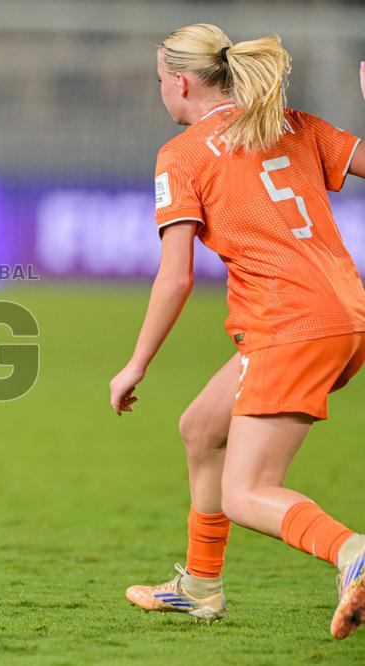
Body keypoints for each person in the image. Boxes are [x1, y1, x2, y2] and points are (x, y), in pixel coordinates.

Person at [110, 23, 365, 639]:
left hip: (289, 324)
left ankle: (354, 553)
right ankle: (199, 587)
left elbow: (175, 279)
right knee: (201, 428)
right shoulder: (292, 123)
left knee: (246, 493)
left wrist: (135, 364)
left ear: (181, 82)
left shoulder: (182, 155)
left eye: (160, 84)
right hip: (344, 315)